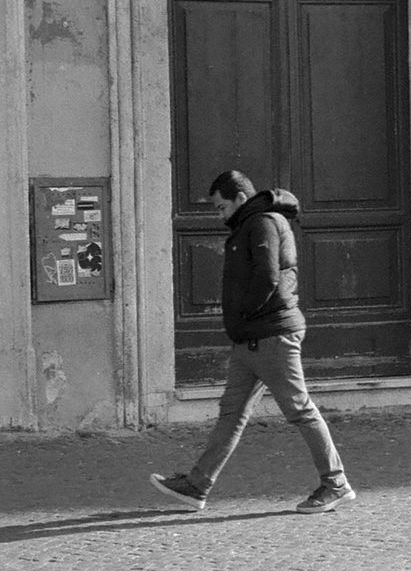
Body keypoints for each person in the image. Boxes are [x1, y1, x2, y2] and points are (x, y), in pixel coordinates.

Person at [149, 170, 354, 513]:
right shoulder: (250, 224)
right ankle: (197, 486)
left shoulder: (262, 223)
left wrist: (245, 313)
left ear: (240, 199)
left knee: (300, 410)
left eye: (221, 207)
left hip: (271, 336)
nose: (219, 215)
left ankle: (335, 483)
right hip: (251, 341)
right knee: (230, 415)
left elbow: (268, 276)